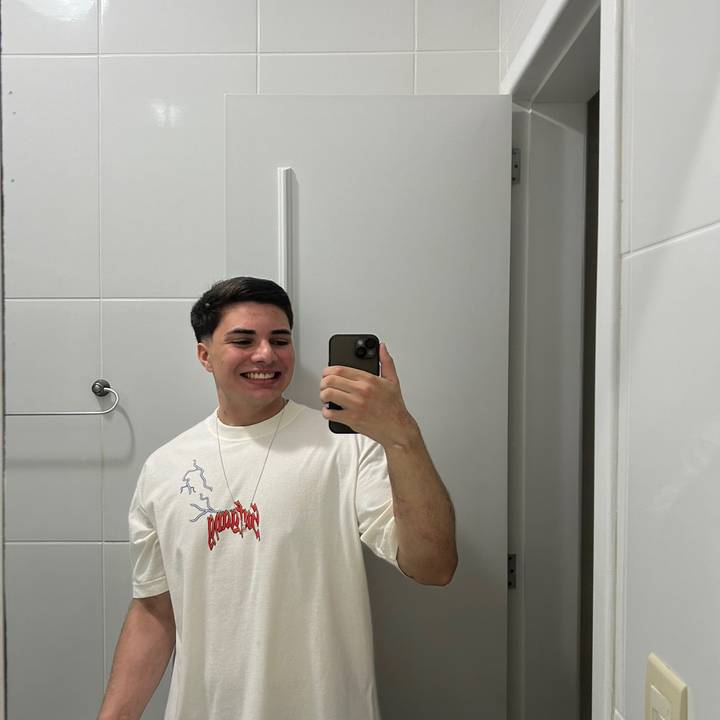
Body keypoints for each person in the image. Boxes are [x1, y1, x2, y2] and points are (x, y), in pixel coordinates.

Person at [97, 276, 457, 720]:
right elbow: (154, 610)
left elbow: (434, 566)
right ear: (205, 355)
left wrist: (402, 434)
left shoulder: (347, 446)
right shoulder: (164, 468)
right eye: (243, 340)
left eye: (280, 340)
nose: (266, 354)